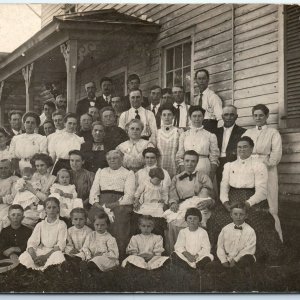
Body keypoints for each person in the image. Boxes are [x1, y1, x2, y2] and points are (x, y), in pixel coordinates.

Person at [207, 136, 283, 264]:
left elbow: (262, 191)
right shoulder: (229, 165)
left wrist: (248, 204)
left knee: (254, 219)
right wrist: (225, 203)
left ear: (252, 148)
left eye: (245, 146)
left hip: (252, 199)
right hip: (232, 198)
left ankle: (254, 257)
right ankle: (219, 254)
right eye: (239, 147)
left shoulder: (259, 165)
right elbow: (224, 188)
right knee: (216, 218)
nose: (241, 149)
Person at [242, 104, 283, 241]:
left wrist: (264, 164)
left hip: (267, 170)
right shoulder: (248, 133)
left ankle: (274, 241)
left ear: (266, 116)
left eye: (261, 115)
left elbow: (276, 155)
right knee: (251, 200)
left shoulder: (273, 133)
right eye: (255, 115)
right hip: (248, 170)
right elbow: (241, 152)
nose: (258, 118)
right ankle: (252, 241)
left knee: (269, 201)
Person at [89, 150, 135, 259]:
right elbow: (94, 190)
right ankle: (95, 254)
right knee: (94, 217)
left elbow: (129, 195)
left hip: (120, 203)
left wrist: (115, 204)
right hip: (102, 201)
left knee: (118, 220)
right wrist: (95, 203)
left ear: (121, 159)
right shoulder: (101, 171)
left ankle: (117, 256)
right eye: (109, 158)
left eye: (115, 158)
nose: (112, 160)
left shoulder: (128, 173)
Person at [167, 150, 214, 253]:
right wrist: (174, 202)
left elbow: (209, 194)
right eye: (187, 160)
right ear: (183, 161)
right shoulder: (177, 178)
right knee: (172, 222)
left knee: (196, 220)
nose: (189, 164)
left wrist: (208, 201)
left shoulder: (203, 176)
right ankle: (176, 253)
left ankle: (196, 253)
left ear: (197, 163)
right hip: (182, 205)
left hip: (198, 206)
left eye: (193, 161)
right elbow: (173, 193)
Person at [19, 197, 67, 271]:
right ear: (45, 209)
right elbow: (32, 242)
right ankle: (33, 272)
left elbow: (61, 244)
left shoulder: (61, 224)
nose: (52, 210)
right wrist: (35, 258)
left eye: (54, 207)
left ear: (58, 209)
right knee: (24, 257)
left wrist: (45, 257)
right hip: (40, 251)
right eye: (49, 207)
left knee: (59, 256)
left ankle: (45, 273)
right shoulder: (40, 225)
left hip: (52, 253)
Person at [176, 106, 219, 180]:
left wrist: (211, 176)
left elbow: (214, 157)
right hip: (187, 168)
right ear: (190, 118)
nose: (197, 119)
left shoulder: (210, 135)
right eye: (194, 116)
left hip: (204, 168)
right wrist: (184, 173)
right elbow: (180, 156)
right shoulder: (184, 135)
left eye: (199, 116)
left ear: (203, 117)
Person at [216, 105, 246, 194]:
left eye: (232, 115)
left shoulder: (243, 131)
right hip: (218, 163)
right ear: (222, 116)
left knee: (232, 188)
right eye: (226, 115)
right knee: (219, 186)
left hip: (234, 162)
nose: (229, 117)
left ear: (236, 116)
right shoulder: (215, 132)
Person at [216, 203, 256, 270]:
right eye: (235, 214)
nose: (238, 217)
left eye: (241, 214)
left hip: (241, 258)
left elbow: (249, 249)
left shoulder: (250, 231)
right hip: (227, 258)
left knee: (242, 264)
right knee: (212, 266)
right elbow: (220, 246)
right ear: (231, 215)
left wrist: (235, 260)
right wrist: (223, 261)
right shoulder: (225, 229)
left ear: (246, 216)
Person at [133, 167, 168, 237]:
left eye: (160, 180)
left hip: (157, 205)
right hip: (147, 204)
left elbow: (165, 195)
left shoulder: (161, 186)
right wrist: (136, 200)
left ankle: (157, 234)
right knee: (142, 216)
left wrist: (163, 200)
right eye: (157, 180)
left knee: (159, 218)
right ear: (151, 177)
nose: (158, 182)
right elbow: (138, 192)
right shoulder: (145, 184)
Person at [194, 69, 223, 134]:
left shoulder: (213, 97)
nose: (201, 81)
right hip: (197, 129)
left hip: (210, 128)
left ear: (208, 80)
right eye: (199, 79)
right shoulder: (196, 99)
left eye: (203, 78)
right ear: (196, 81)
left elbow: (220, 118)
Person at [157, 105, 181, 178]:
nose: (166, 117)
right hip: (160, 167)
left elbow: (181, 151)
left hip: (175, 168)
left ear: (173, 116)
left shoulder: (179, 132)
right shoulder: (157, 132)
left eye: (169, 115)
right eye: (164, 115)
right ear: (161, 116)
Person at [0, 160, 19, 231]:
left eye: (6, 168)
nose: (3, 170)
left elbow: (15, 197)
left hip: (7, 206)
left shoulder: (14, 180)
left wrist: (2, 199)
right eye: (1, 168)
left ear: (11, 168)